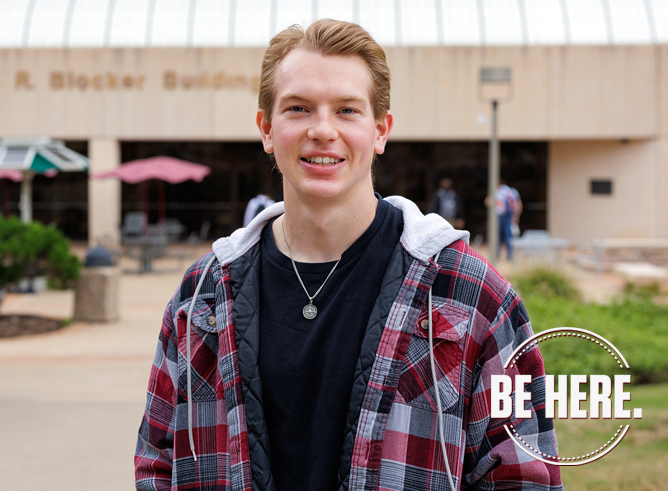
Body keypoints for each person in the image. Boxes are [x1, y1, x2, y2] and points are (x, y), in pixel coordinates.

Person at [135, 20, 562, 491]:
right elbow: (158, 461)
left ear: (380, 131)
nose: (323, 130)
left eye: (346, 110)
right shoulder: (200, 298)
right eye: (298, 108)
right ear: (266, 129)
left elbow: (525, 477)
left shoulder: (474, 296)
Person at [495, 179, 523, 260]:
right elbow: (518, 204)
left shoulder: (498, 191)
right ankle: (509, 255)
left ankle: (497, 254)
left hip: (500, 216)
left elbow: (488, 202)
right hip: (510, 216)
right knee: (509, 236)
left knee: (497, 236)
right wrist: (516, 215)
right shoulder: (513, 192)